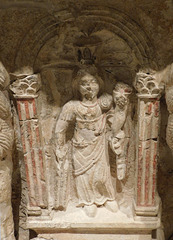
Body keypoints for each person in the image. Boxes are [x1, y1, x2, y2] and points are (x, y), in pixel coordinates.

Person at [55, 67, 118, 217]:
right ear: (77, 86)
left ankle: (107, 197)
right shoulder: (72, 106)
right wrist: (60, 147)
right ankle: (88, 200)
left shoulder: (103, 103)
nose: (89, 86)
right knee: (84, 175)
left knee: (101, 174)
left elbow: (115, 121)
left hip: (99, 144)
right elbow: (60, 128)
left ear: (100, 84)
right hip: (80, 147)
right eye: (84, 83)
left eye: (93, 82)